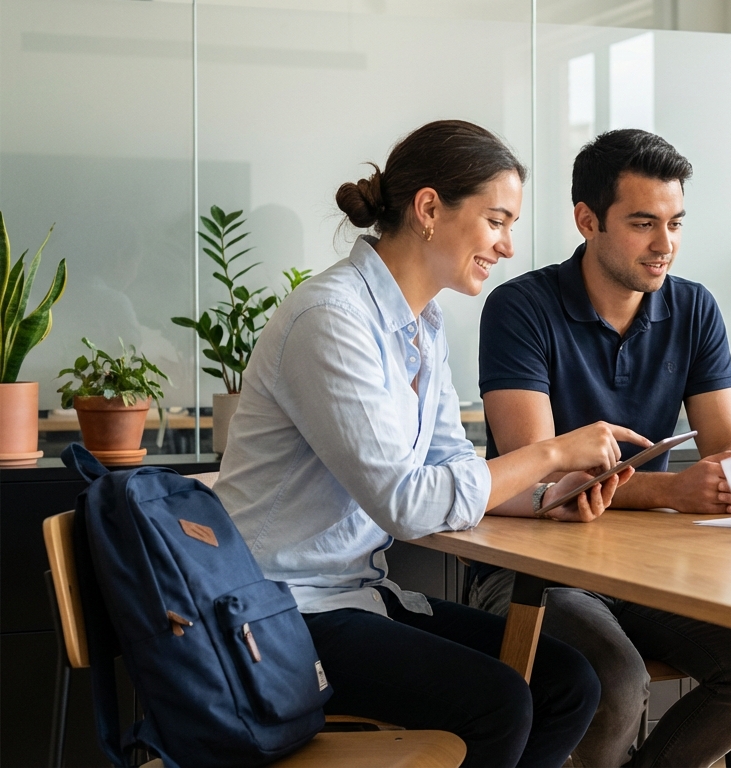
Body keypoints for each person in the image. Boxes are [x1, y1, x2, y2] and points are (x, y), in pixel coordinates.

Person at [216, 120, 653, 768]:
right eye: (496, 220)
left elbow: (449, 462)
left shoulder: (421, 324)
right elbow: (407, 504)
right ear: (428, 209)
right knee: (501, 701)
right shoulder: (330, 318)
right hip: (284, 613)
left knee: (568, 683)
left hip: (356, 595)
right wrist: (553, 452)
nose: (508, 246)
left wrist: (543, 497)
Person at [470, 129, 731, 767]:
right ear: (588, 220)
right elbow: (542, 480)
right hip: (537, 571)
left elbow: (729, 450)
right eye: (643, 223)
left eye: (675, 223)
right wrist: (675, 490)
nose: (664, 245)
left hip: (646, 568)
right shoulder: (520, 308)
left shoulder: (694, 308)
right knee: (616, 678)